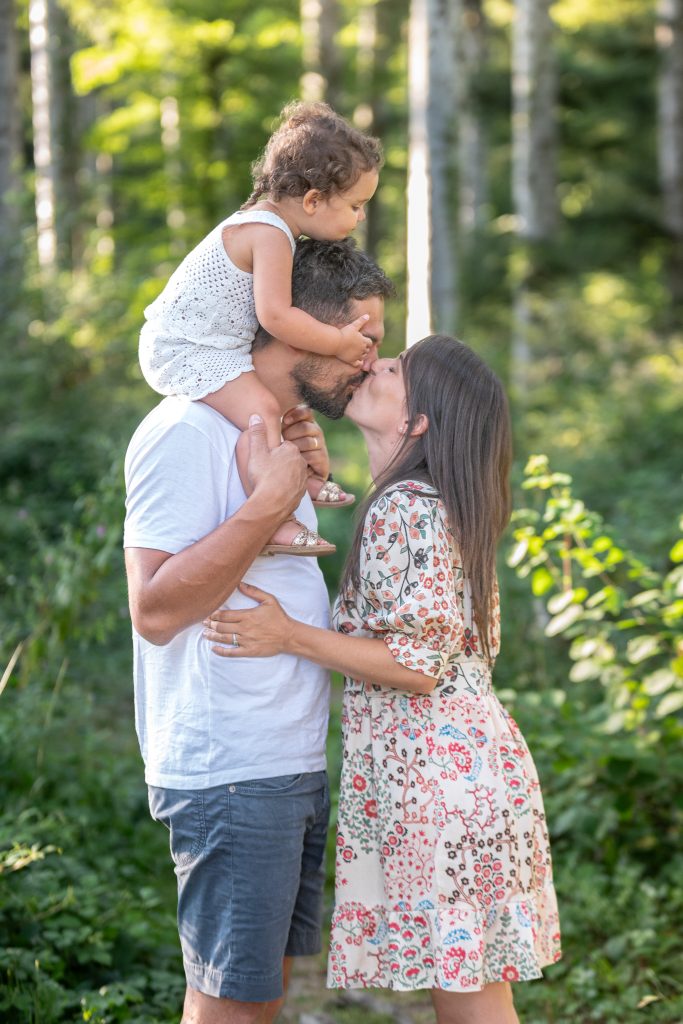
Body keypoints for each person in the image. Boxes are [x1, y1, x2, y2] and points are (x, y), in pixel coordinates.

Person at [202, 335, 562, 1024]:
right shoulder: (424, 501)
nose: (371, 364)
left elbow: (415, 668)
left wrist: (288, 636)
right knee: (472, 989)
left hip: (439, 780)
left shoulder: (408, 507)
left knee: (468, 997)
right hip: (457, 771)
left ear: (417, 421)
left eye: (393, 369)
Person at [123, 237, 393, 1024]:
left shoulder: (275, 432)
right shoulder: (184, 431)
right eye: (358, 334)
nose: (365, 356)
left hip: (285, 760)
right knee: (229, 1005)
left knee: (260, 993)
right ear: (287, 331)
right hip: (229, 766)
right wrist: (269, 503)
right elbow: (157, 610)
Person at [138, 101, 382, 556]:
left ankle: (305, 479)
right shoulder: (269, 233)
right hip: (185, 348)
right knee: (263, 413)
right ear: (312, 200)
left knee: (290, 411)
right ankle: (274, 516)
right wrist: (339, 341)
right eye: (356, 205)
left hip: (210, 344)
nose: (360, 217)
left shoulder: (270, 226)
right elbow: (277, 317)